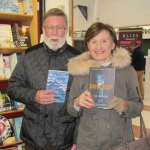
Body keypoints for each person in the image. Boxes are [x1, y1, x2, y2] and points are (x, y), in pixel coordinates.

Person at [7, 8, 81, 150]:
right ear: (43, 29)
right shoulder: (28, 55)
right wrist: (34, 95)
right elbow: (12, 88)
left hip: (65, 136)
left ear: (66, 30)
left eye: (59, 27)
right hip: (34, 135)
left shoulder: (78, 58)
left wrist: (78, 138)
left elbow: (82, 102)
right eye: (50, 27)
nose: (54, 32)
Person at [67, 22, 143, 150]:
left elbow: (138, 106)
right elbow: (70, 109)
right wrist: (77, 102)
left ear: (113, 44)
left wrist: (124, 105)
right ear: (88, 45)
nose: (98, 46)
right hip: (89, 144)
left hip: (120, 142)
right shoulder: (80, 72)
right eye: (93, 41)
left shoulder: (127, 71)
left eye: (104, 41)